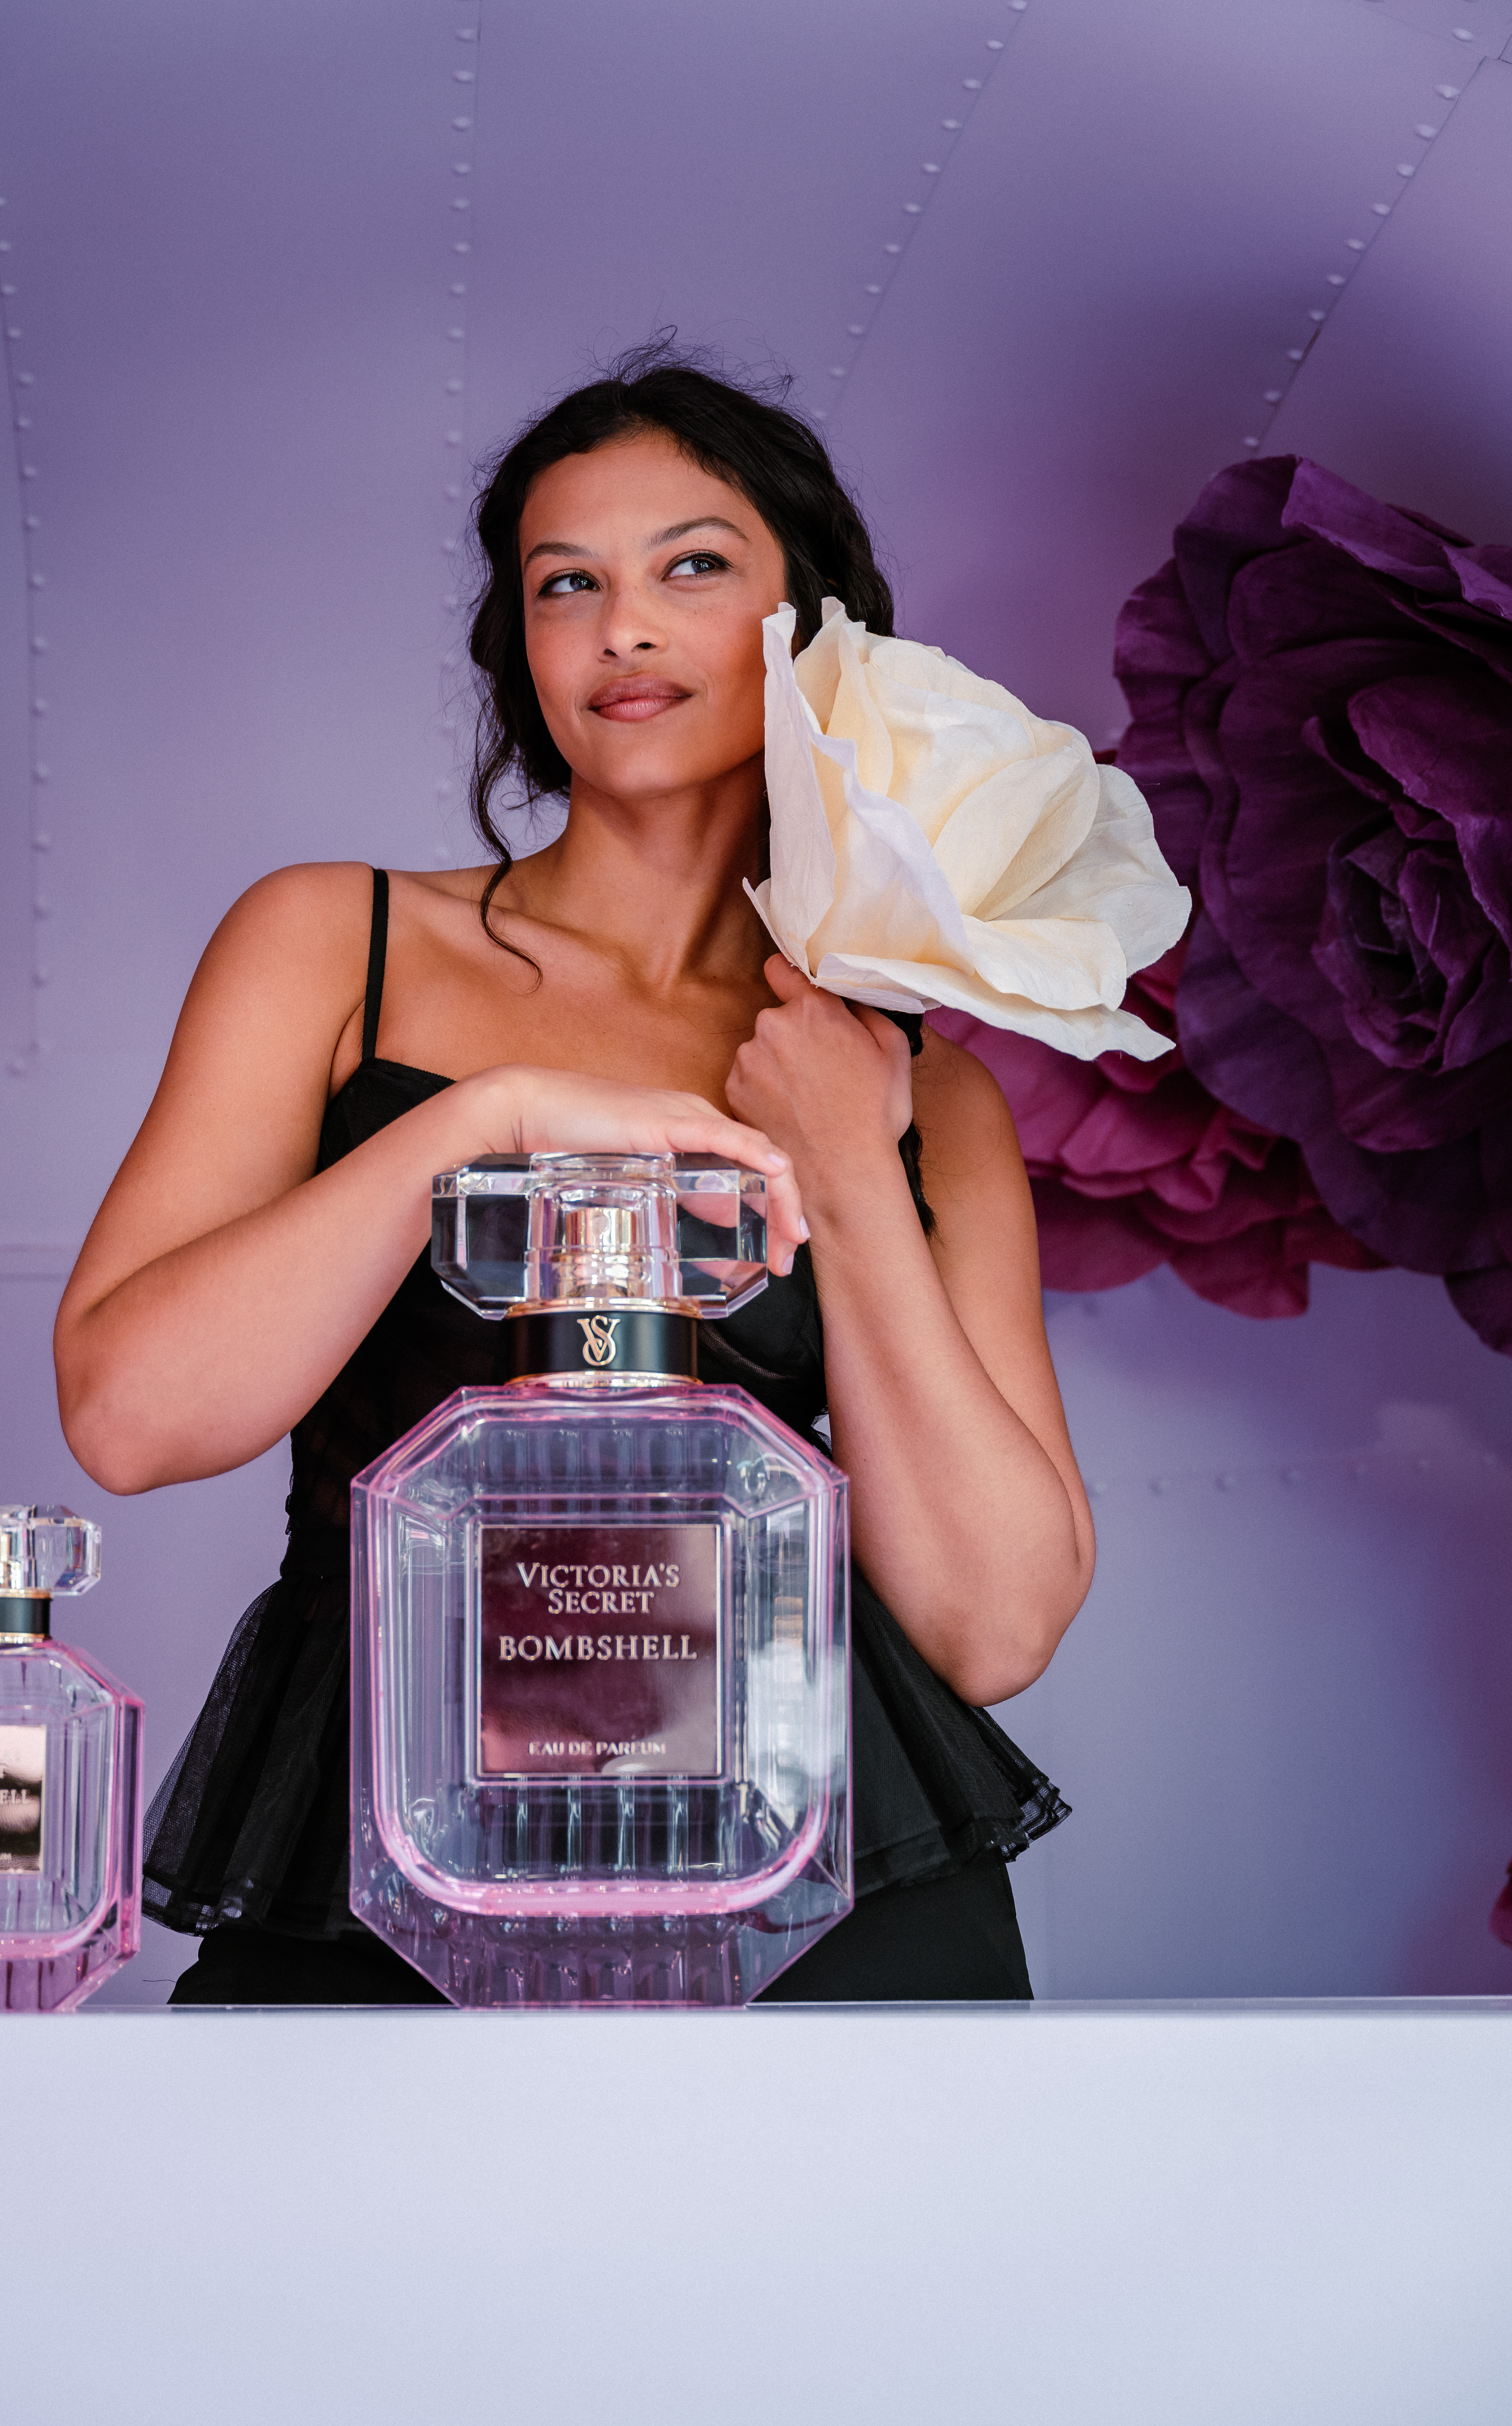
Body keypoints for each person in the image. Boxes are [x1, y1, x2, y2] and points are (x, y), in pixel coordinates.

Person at [54, 351, 1093, 2005]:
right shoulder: (334, 944)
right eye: (567, 584)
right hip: (387, 1842)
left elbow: (995, 1626)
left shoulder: (920, 1090)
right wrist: (486, 1116)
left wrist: (845, 1157)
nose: (623, 627)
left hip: (815, 1870)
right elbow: (130, 1419)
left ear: (811, 629)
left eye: (693, 567)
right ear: (520, 651)